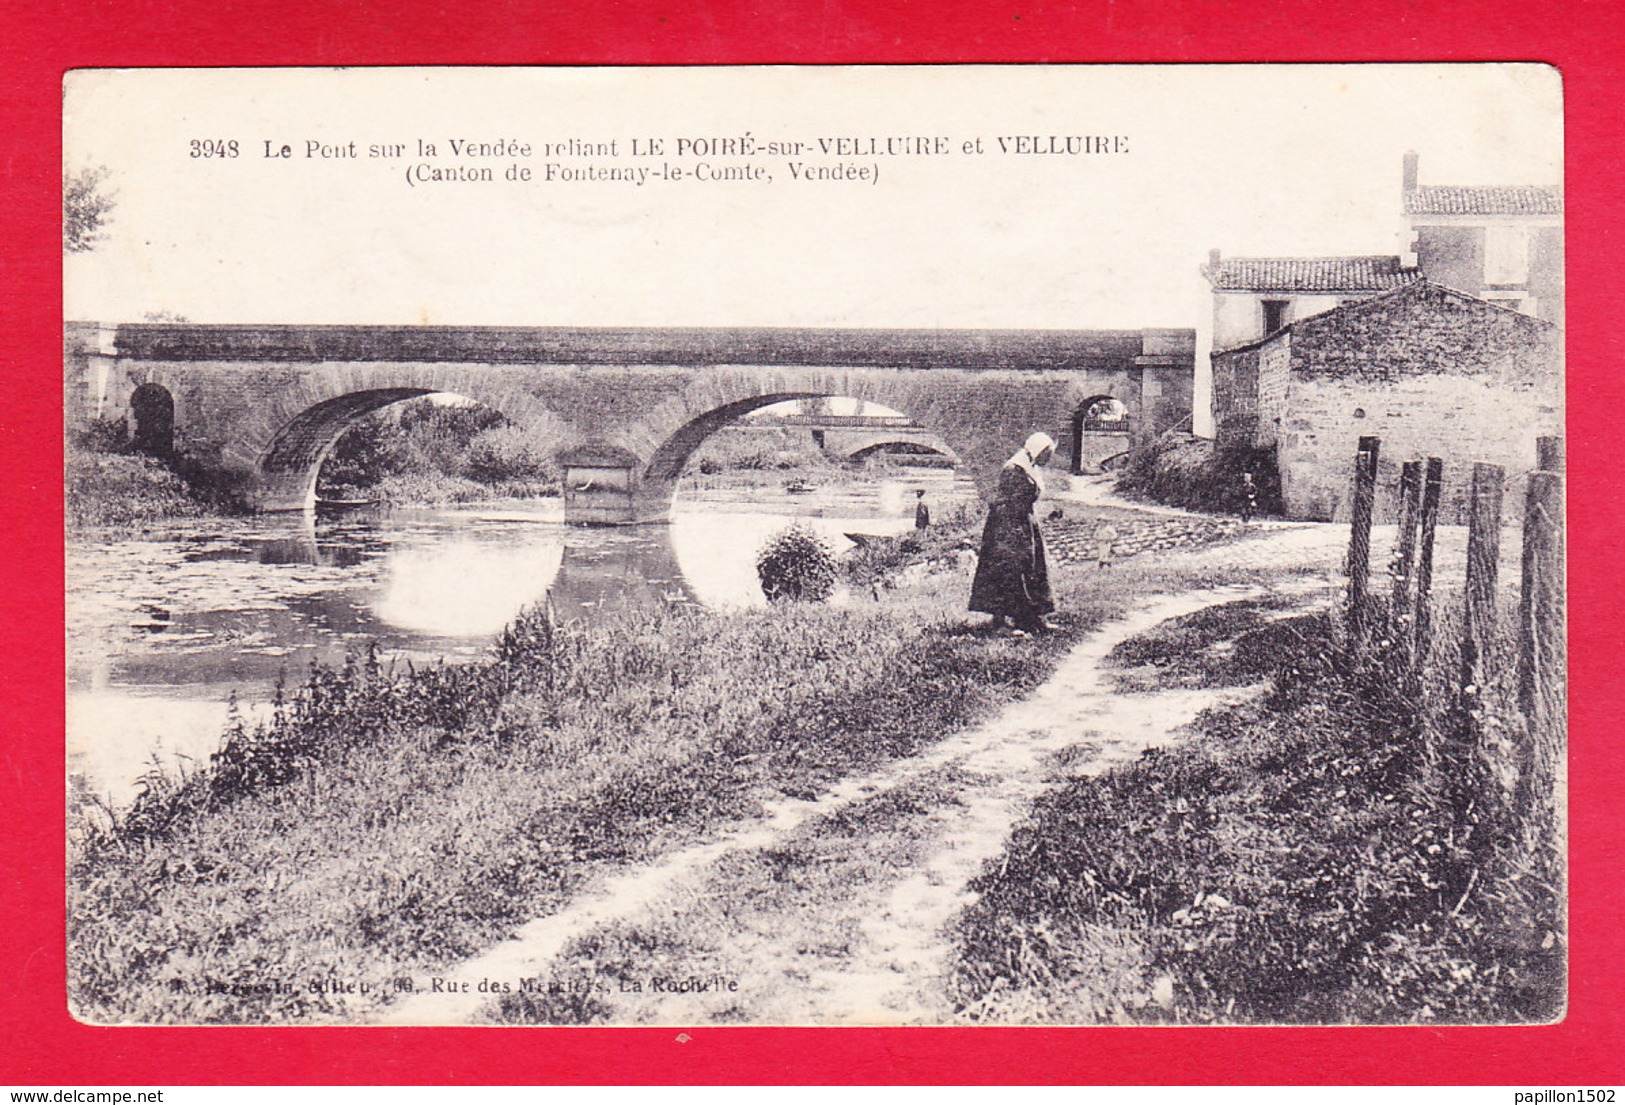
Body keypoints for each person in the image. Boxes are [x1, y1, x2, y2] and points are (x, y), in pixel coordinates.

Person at [969, 432, 1058, 633]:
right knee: (1008, 569)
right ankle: (1001, 622)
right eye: (1047, 454)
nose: (1048, 459)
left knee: (1032, 568)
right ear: (1037, 450)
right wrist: (1015, 530)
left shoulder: (1029, 467)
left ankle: (1032, 618)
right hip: (1007, 526)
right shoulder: (1014, 469)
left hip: (1023, 522)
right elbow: (1008, 502)